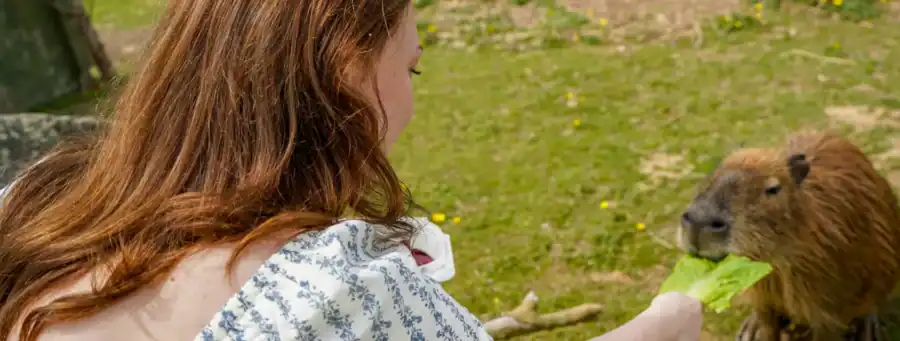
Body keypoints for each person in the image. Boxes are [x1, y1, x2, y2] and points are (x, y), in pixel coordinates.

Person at [0, 1, 704, 341]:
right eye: (411, 66)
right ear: (345, 67)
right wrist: (666, 327)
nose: (414, 98)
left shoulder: (30, 204)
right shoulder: (339, 295)